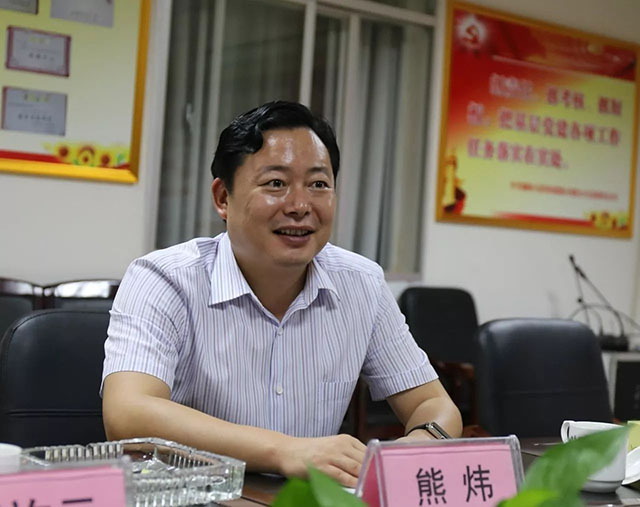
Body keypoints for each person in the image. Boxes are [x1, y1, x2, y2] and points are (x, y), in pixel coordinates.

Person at [102, 101, 462, 487]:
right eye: (276, 183)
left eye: (318, 184)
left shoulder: (362, 284)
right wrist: (285, 450)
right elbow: (128, 413)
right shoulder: (164, 279)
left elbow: (433, 405)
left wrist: (408, 453)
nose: (300, 206)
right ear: (223, 198)